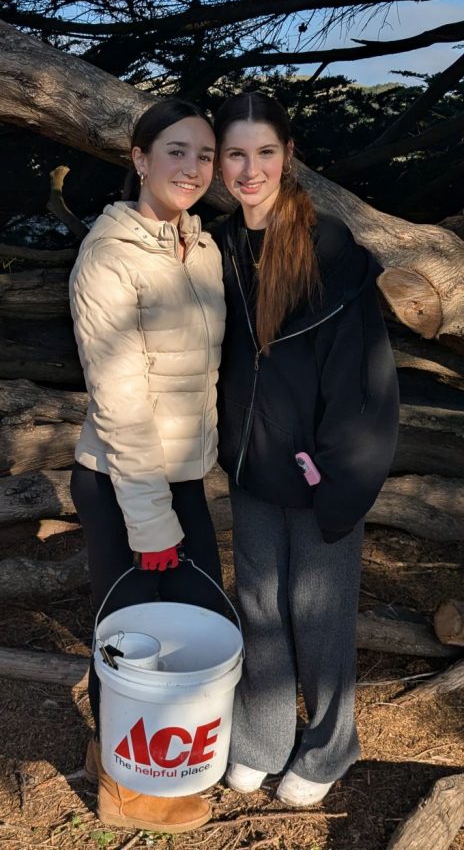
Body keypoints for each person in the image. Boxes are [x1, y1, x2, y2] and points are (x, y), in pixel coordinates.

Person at [212, 91, 399, 806]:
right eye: (237, 153)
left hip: (321, 470)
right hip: (252, 466)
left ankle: (327, 747)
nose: (250, 168)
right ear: (221, 161)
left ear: (288, 156)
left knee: (318, 615)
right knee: (260, 607)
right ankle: (261, 737)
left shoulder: (327, 246)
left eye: (265, 152)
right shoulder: (221, 246)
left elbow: (360, 377)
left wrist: (341, 480)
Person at [69, 98, 226, 833]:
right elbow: (120, 400)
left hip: (182, 476)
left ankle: (164, 766)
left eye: (203, 154)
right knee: (131, 638)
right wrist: (151, 518)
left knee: (187, 628)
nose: (191, 168)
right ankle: (123, 788)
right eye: (175, 151)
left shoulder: (201, 247)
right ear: (138, 157)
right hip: (123, 482)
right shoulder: (109, 256)